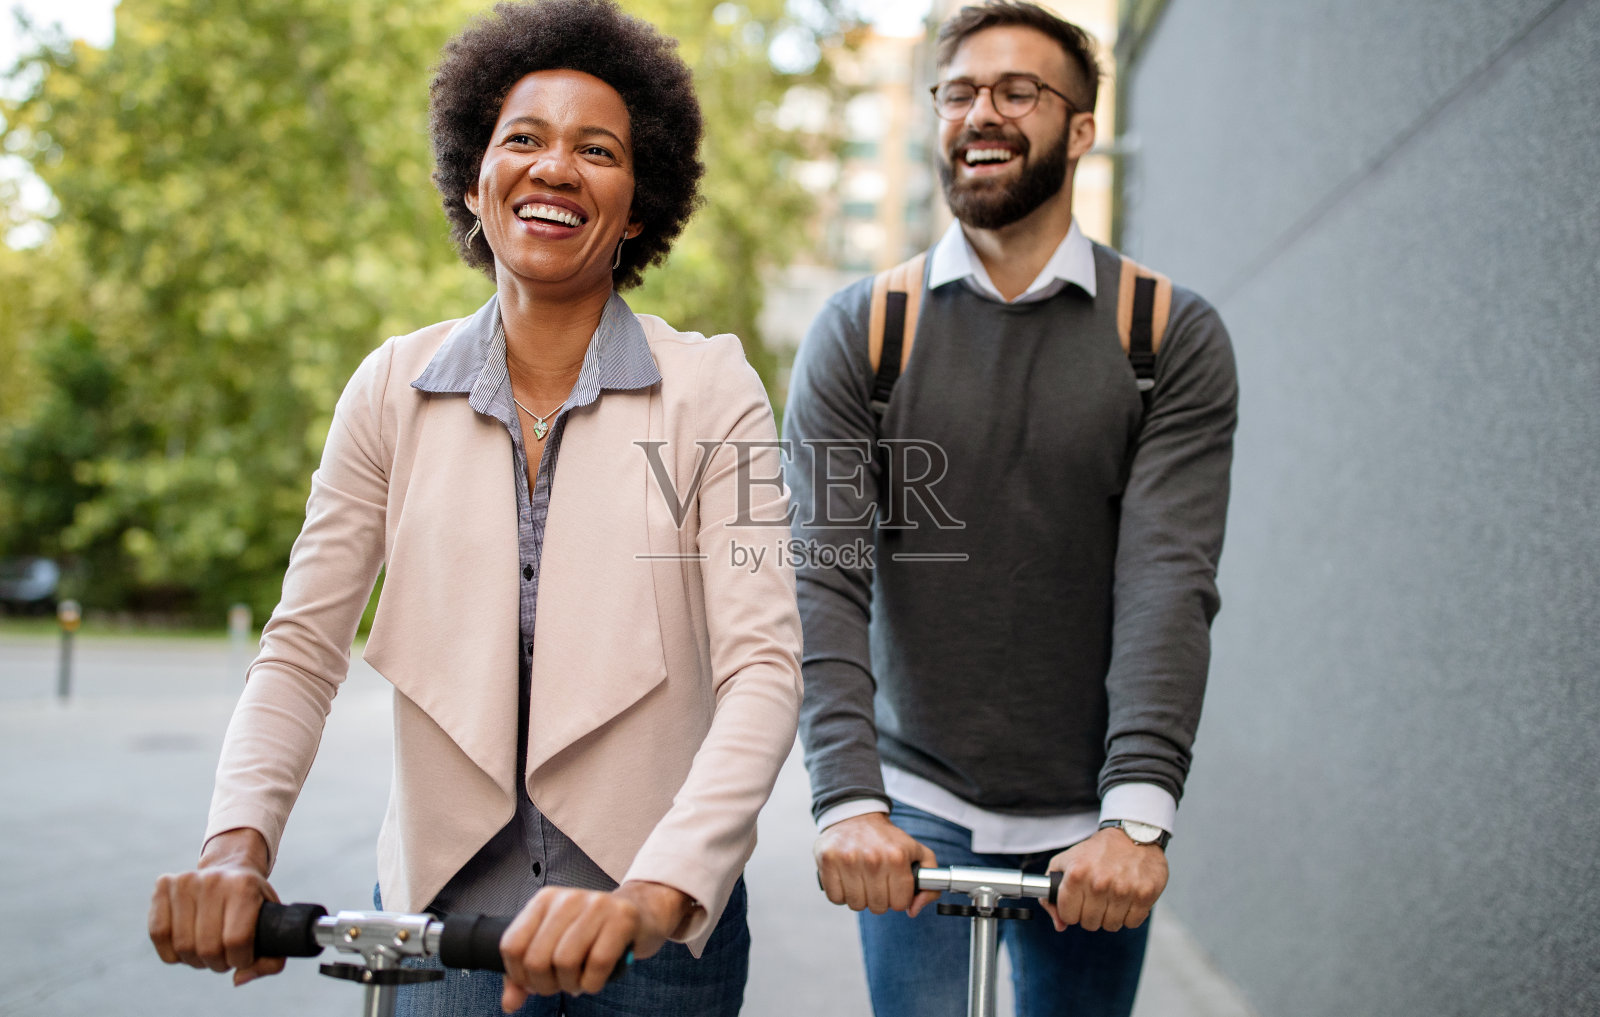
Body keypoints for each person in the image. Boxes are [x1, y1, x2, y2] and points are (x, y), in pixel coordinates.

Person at [146, 2, 802, 1014]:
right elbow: (302, 646)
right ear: (472, 179)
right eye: (523, 139)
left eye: (598, 149)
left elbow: (762, 669)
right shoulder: (390, 389)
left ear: (637, 208)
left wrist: (654, 895)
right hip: (434, 930)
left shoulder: (715, 390)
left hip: (654, 944)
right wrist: (235, 846)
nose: (554, 167)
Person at [783, 3, 1238, 1015]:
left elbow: (1167, 578)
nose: (979, 113)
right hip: (915, 796)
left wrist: (1136, 817)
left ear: (1081, 129)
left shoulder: (1164, 337)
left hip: (1092, 813)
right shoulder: (864, 332)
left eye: (1017, 92)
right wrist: (847, 799)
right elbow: (822, 573)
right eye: (958, 93)